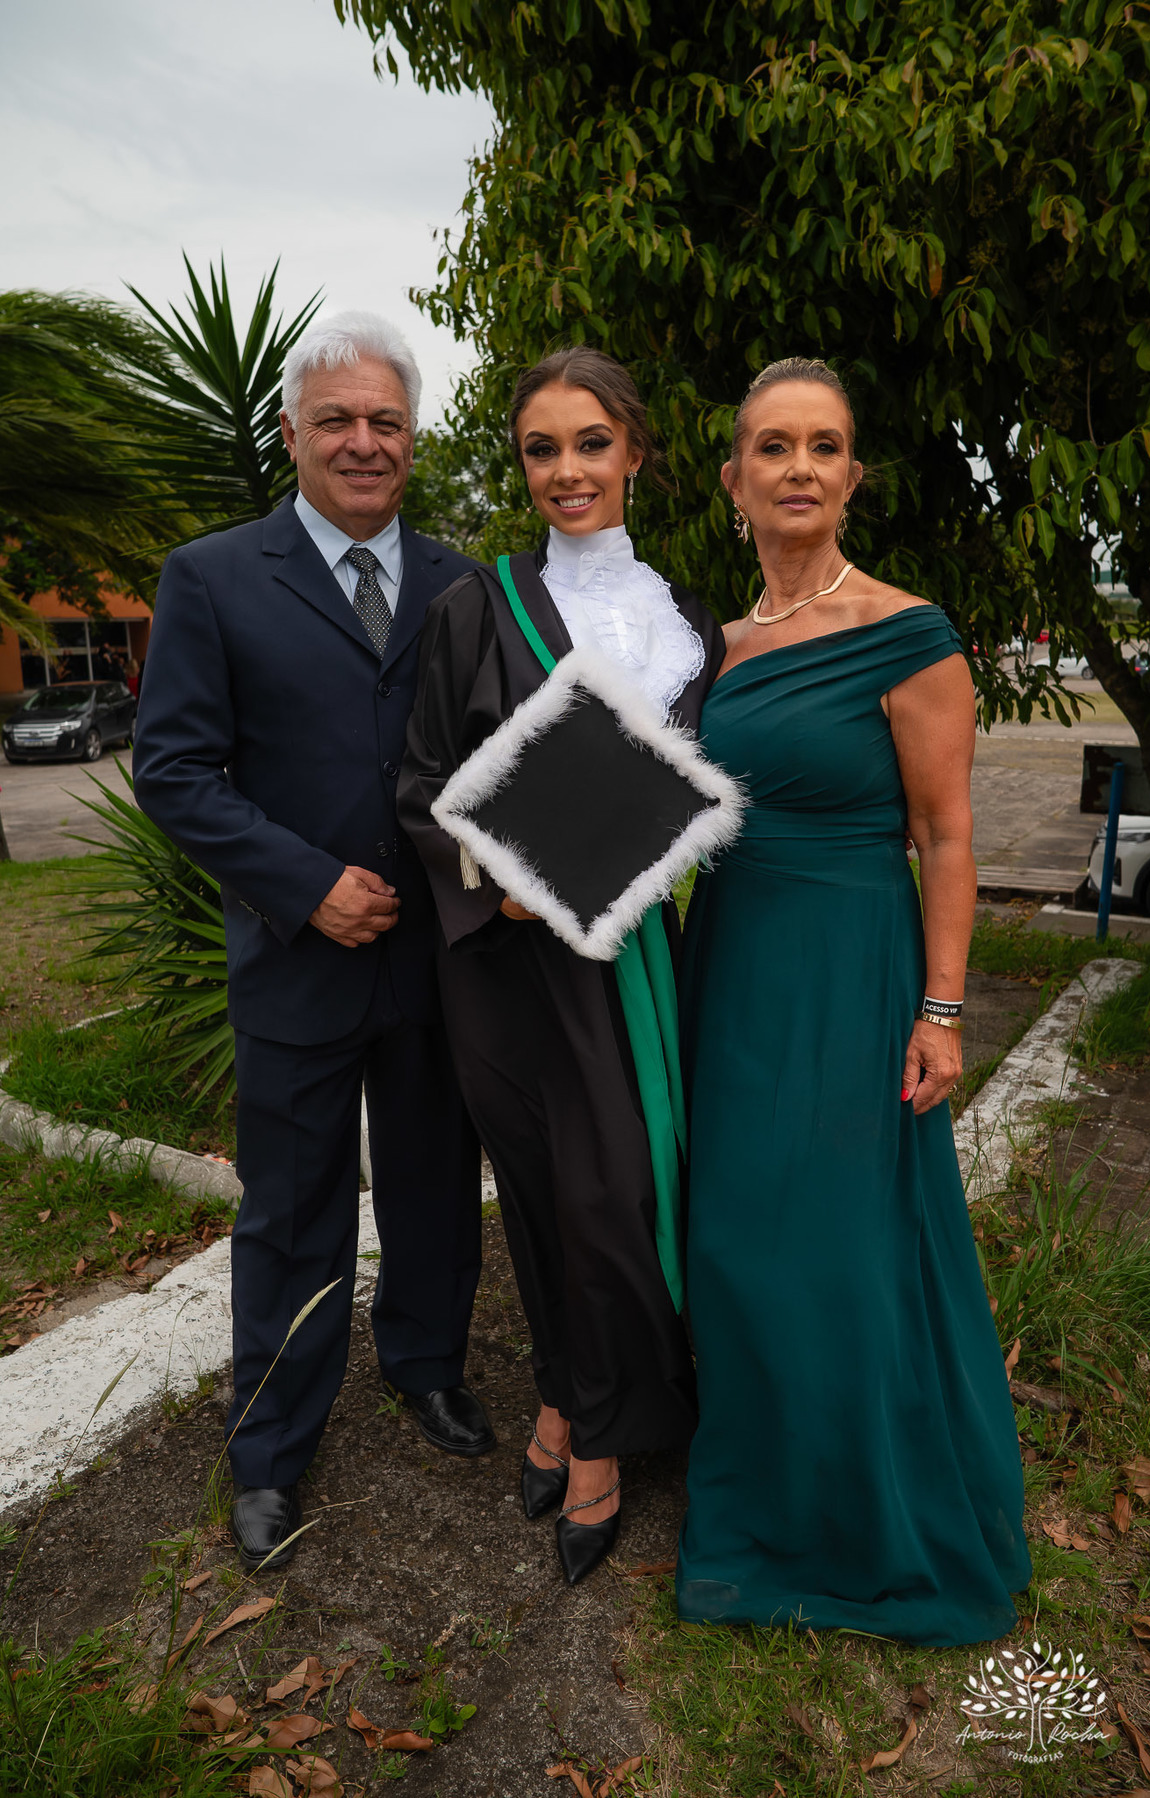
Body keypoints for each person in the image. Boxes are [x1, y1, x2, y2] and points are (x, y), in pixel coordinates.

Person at [676, 357, 1031, 1645]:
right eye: (775, 447)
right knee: (733, 1234)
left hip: (851, 960)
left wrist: (941, 1011)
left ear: (854, 475)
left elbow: (946, 835)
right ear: (734, 479)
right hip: (734, 959)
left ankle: (860, 1514)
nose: (801, 469)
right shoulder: (713, 648)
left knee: (836, 1238)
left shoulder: (908, 631)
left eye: (825, 446)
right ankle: (764, 1481)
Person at [133, 312, 489, 1572]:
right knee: (291, 1210)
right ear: (292, 431)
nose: (361, 441)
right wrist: (305, 883)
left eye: (385, 420)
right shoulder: (214, 576)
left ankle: (429, 1366)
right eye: (336, 419)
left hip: (438, 963)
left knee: (439, 1183)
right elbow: (173, 770)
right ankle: (272, 1444)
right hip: (296, 957)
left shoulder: (466, 582)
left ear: (412, 437)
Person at [398, 347, 724, 1584]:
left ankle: (589, 1416)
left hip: (636, 956)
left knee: (622, 1199)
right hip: (509, 963)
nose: (567, 470)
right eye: (543, 448)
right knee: (548, 1196)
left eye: (592, 443)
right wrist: (501, 879)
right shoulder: (476, 609)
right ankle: (579, 1421)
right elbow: (418, 786)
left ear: (635, 451)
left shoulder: (693, 622)